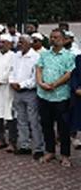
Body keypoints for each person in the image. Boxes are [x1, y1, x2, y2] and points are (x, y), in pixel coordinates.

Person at [35, 29, 75, 167]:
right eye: (51, 37)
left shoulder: (69, 56)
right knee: (46, 125)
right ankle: (50, 151)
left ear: (64, 40)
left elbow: (69, 73)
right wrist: (40, 83)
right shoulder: (44, 54)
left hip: (61, 96)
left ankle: (65, 155)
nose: (53, 39)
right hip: (44, 95)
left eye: (56, 37)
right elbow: (39, 69)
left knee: (63, 128)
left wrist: (55, 84)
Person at [9, 34, 44, 158]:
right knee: (21, 120)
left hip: (30, 92)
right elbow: (11, 71)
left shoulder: (36, 57)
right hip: (17, 92)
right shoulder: (16, 56)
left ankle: (39, 148)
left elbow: (36, 77)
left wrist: (22, 85)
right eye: (19, 41)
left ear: (29, 43)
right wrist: (12, 82)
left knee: (34, 121)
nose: (19, 44)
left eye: (22, 42)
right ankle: (25, 145)